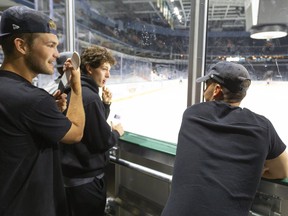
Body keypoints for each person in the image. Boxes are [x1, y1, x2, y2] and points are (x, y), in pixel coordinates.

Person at [161, 61, 288, 216]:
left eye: (206, 86)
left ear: (216, 90)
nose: (203, 92)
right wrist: (251, 171)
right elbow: (282, 171)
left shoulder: (191, 115)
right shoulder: (262, 127)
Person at [0, 6, 85, 216]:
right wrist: (76, 87)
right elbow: (76, 133)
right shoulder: (34, 100)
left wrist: (48, 113)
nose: (57, 54)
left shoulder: (20, 96)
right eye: (50, 45)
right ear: (21, 45)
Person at [61, 45, 125, 216]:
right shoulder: (89, 97)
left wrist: (105, 105)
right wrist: (117, 132)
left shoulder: (73, 89)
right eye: (104, 69)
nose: (108, 75)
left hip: (70, 180)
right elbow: (102, 141)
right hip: (86, 184)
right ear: (89, 68)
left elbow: (87, 124)